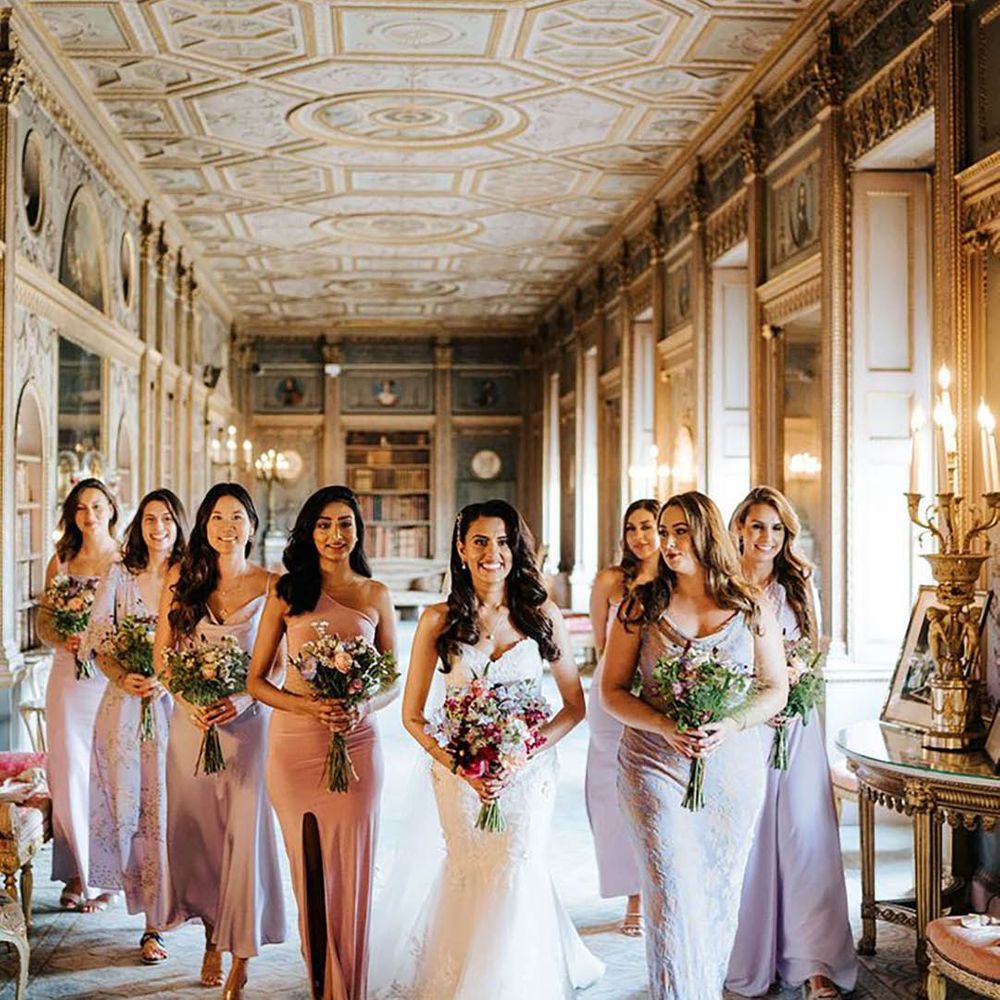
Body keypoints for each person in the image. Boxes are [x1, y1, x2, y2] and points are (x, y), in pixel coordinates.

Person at [370, 499, 603, 999]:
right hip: (458, 775)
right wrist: (460, 766)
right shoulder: (437, 621)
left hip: (527, 773)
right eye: (479, 541)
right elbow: (412, 716)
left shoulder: (541, 614)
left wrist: (523, 753)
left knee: (516, 864)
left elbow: (573, 707)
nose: (491, 553)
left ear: (516, 550)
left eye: (502, 542)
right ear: (461, 548)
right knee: (469, 866)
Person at [601, 491, 788, 1000]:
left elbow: (774, 688)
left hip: (731, 770)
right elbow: (611, 691)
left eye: (679, 531)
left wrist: (732, 723)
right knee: (670, 892)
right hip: (652, 765)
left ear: (707, 533)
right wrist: (664, 725)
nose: (667, 542)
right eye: (663, 532)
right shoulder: (642, 604)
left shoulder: (750, 605)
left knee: (716, 896)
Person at [248, 486, 399, 1000]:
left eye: (345, 524)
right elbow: (256, 682)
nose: (336, 535)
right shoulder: (287, 592)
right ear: (309, 531)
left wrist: (363, 706)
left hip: (357, 748)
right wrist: (308, 706)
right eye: (324, 524)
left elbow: (391, 680)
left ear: (358, 531)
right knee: (308, 873)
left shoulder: (375, 594)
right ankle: (321, 983)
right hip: (294, 747)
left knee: (352, 872)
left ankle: (348, 987)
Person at [154, 484, 286, 999]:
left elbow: (278, 664)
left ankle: (241, 956)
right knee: (201, 837)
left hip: (247, 730)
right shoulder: (182, 580)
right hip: (191, 726)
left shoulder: (274, 585)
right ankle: (212, 935)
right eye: (216, 517)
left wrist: (244, 700)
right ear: (204, 525)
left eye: (236, 517)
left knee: (244, 840)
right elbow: (163, 656)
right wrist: (186, 699)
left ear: (252, 525)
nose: (227, 527)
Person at [726, 486, 857, 999]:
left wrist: (792, 690)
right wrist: (753, 702)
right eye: (758, 525)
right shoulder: (722, 585)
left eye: (777, 528)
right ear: (739, 528)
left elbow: (811, 656)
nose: (767, 537)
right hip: (744, 726)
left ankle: (814, 962)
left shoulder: (799, 587)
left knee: (806, 838)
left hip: (796, 726)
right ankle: (749, 955)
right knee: (752, 841)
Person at [86, 489, 187, 964]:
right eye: (150, 518)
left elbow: (202, 641)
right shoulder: (119, 575)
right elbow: (99, 642)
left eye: (166, 519)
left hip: (176, 708)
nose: (158, 527)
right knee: (136, 810)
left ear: (179, 525)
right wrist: (121, 674)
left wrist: (169, 678)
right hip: (125, 711)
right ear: (138, 524)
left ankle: (172, 914)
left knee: (171, 810)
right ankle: (150, 923)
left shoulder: (192, 577)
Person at [39, 477, 121, 912]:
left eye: (97, 506)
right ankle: (77, 874)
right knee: (68, 773)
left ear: (111, 509)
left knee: (105, 776)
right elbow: (44, 623)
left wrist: (102, 642)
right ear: (72, 515)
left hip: (108, 679)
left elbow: (136, 621)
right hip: (68, 680)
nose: (90, 515)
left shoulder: (127, 560)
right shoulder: (61, 560)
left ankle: (106, 877)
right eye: (81, 508)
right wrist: (64, 637)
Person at [585, 498, 660, 935]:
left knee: (652, 793)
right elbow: (601, 643)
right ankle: (633, 893)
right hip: (611, 697)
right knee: (611, 796)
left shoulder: (678, 582)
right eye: (631, 528)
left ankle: (657, 886)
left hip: (660, 696)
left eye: (647, 526)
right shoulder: (611, 581)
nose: (639, 536)